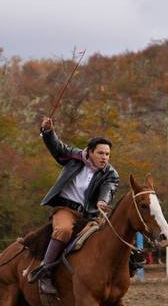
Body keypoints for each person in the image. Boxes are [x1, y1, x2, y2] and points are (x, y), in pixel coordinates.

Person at [29, 116, 118, 295]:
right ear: (90, 152)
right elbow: (57, 147)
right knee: (63, 231)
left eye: (107, 154)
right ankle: (45, 273)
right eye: (100, 153)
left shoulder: (111, 173)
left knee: (110, 237)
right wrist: (48, 132)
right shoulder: (74, 157)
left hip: (89, 215)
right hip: (65, 209)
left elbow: (109, 188)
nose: (104, 157)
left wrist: (103, 200)